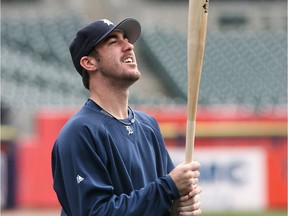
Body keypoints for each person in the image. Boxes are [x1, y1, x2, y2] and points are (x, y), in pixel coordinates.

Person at [52, 18, 202, 216]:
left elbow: (164, 201)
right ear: (89, 62)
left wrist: (176, 208)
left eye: (126, 39)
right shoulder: (80, 132)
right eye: (114, 42)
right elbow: (95, 212)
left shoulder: (148, 125)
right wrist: (168, 188)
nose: (129, 46)